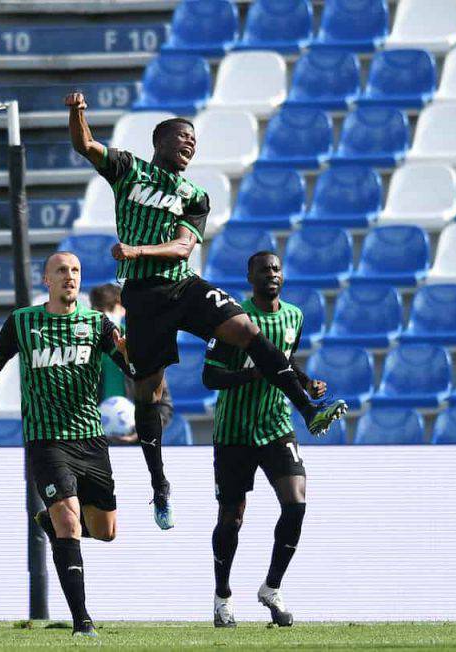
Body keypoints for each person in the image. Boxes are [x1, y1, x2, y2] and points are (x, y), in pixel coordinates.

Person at [66, 92, 347, 530]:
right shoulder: (128, 169)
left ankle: (308, 410)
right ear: (159, 141)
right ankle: (159, 484)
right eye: (182, 136)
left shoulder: (194, 195)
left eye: (194, 139)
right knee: (149, 396)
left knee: (248, 331)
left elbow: (182, 246)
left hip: (183, 284)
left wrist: (136, 248)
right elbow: (85, 146)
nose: (190, 143)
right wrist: (77, 112)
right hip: (142, 297)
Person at [0, 252, 132, 638]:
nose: (69, 277)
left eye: (75, 270)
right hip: (46, 439)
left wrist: (131, 349)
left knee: (106, 530)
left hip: (91, 439)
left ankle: (54, 526)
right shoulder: (23, 322)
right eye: (61, 271)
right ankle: (82, 623)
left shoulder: (97, 324)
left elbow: (129, 365)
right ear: (46, 280)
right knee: (68, 520)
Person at [202, 251, 327, 628]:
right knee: (231, 518)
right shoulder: (232, 321)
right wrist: (252, 376)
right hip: (234, 431)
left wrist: (306, 382)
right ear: (250, 277)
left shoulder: (294, 316)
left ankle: (272, 586)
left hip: (275, 425)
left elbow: (283, 359)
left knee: (296, 502)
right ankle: (222, 596)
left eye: (276, 269)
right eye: (263, 270)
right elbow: (210, 377)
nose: (271, 274)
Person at [90, 283, 175, 451]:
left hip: (136, 442)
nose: (104, 315)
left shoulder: (141, 346)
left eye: (110, 308)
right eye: (99, 310)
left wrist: (144, 430)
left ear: (123, 309)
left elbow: (163, 403)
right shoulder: (84, 349)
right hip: (93, 444)